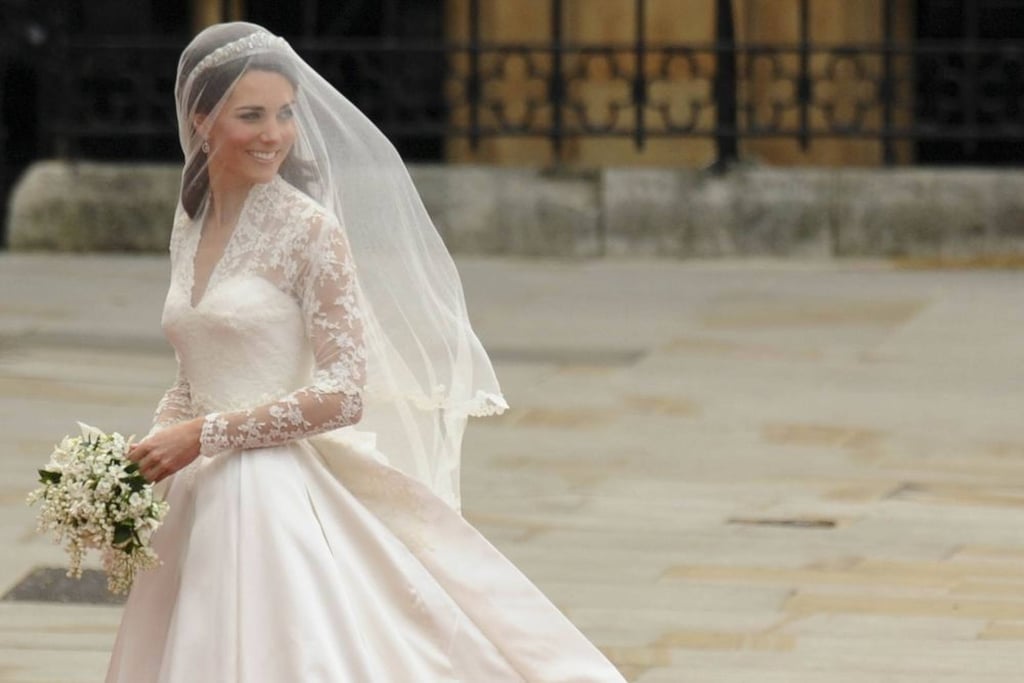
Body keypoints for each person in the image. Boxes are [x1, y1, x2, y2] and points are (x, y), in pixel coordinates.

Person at [106, 22, 626, 683]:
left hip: (270, 492)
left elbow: (343, 393)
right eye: (252, 115)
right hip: (197, 489)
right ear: (202, 121)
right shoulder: (192, 219)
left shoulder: (308, 231)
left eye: (285, 113)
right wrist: (146, 451)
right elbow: (194, 368)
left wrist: (203, 435)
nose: (274, 133)